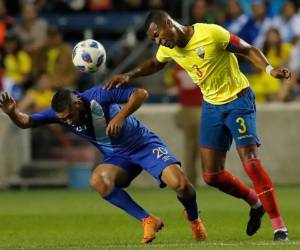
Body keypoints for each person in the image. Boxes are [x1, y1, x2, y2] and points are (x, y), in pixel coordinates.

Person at [104, 10, 291, 241]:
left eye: (158, 34)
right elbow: (155, 63)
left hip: (238, 99)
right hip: (212, 107)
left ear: (168, 22)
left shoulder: (210, 33)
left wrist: (270, 70)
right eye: (153, 39)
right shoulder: (169, 48)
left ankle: (279, 227)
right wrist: (129, 74)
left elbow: (247, 49)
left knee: (251, 163)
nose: (158, 41)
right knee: (212, 176)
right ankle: (255, 203)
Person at [0, 86, 207, 244]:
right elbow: (26, 122)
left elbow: (141, 93)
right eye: (64, 119)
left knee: (181, 184)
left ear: (77, 103)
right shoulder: (61, 115)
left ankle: (194, 218)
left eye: (70, 116)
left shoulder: (98, 95)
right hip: (118, 156)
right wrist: (11, 113)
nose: (69, 122)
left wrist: (120, 115)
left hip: (143, 145)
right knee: (98, 180)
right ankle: (147, 219)